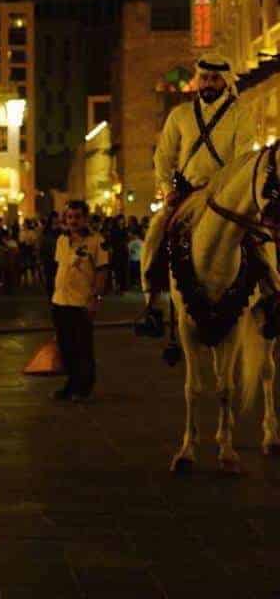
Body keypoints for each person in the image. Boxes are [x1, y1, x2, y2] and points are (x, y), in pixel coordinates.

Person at [137, 54, 280, 336]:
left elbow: (243, 157)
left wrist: (233, 190)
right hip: (188, 195)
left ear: (225, 82)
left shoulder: (241, 114)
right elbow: (163, 157)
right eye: (204, 77)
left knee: (257, 238)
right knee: (155, 235)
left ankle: (271, 292)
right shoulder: (179, 116)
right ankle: (151, 305)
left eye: (214, 78)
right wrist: (167, 190)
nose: (208, 83)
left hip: (227, 196)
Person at [50, 200, 108, 403]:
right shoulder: (61, 240)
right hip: (60, 300)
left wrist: (96, 298)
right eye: (69, 217)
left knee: (82, 347)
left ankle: (83, 388)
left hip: (81, 302)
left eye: (77, 217)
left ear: (85, 218)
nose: (73, 221)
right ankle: (71, 384)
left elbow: (101, 271)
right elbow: (61, 267)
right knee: (66, 347)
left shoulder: (97, 241)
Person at [128, 228, 144, 293]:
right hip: (137, 259)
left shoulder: (132, 242)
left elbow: (128, 250)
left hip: (134, 259)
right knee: (137, 273)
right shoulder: (141, 242)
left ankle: (136, 284)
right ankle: (138, 284)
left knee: (135, 273)